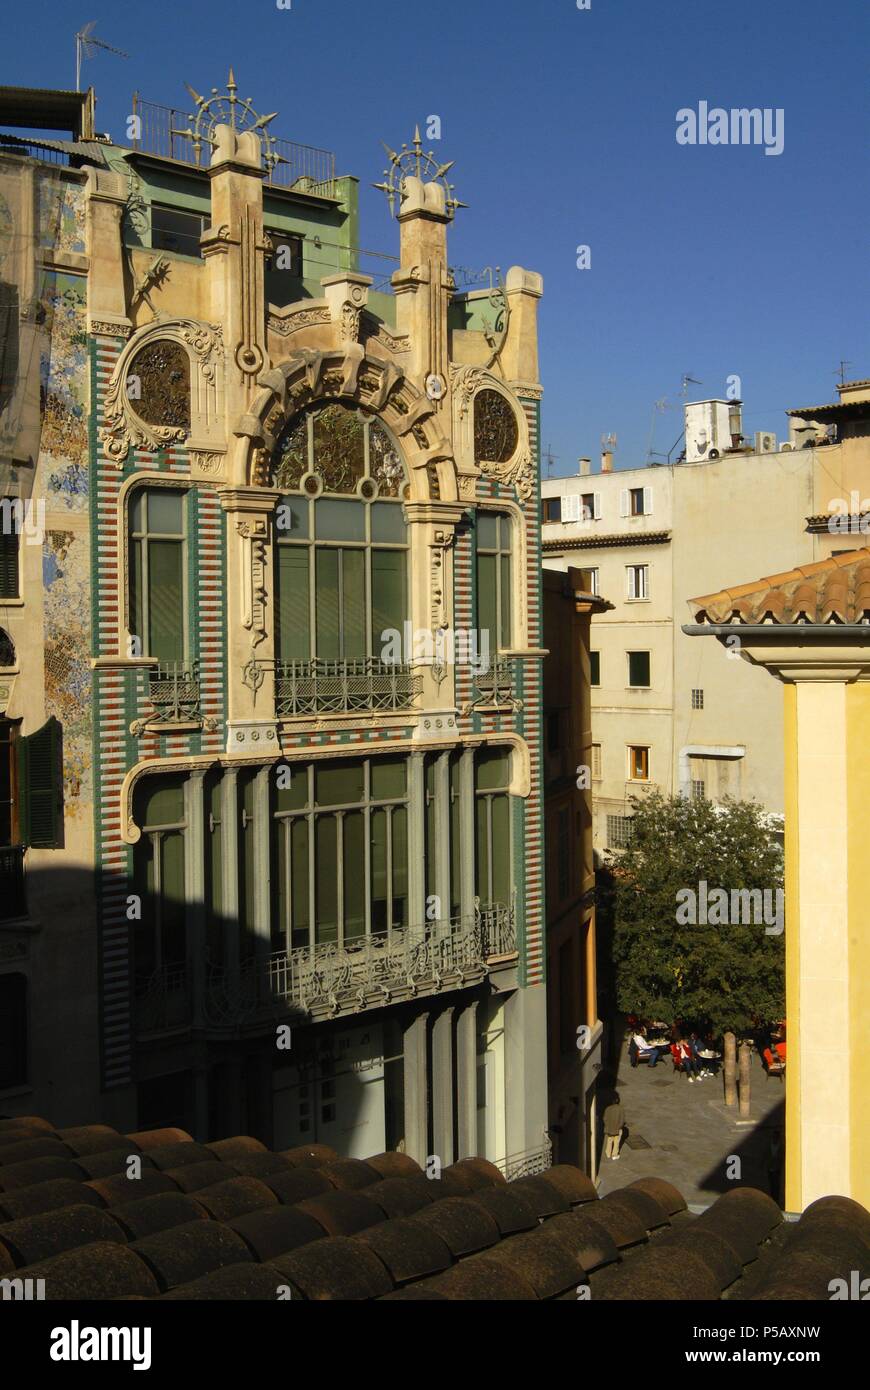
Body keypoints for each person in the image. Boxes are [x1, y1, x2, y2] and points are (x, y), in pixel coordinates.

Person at [603, 1092, 625, 1160]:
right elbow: (622, 1119)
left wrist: (607, 1125)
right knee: (616, 1141)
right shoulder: (620, 1109)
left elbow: (604, 1118)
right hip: (617, 1128)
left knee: (609, 1140)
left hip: (609, 1128)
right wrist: (619, 1126)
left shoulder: (607, 1108)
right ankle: (614, 1154)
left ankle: (608, 1153)